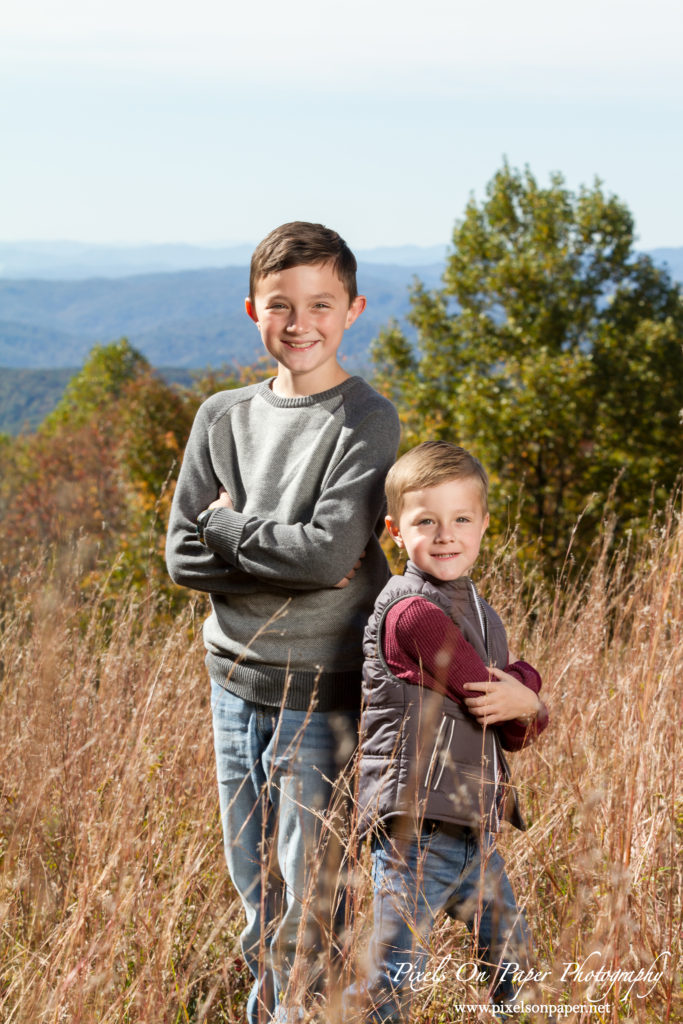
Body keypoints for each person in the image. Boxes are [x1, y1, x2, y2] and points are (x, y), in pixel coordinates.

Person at [165, 222, 400, 1023]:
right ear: (251, 310)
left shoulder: (364, 420)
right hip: (231, 686)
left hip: (320, 695)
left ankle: (314, 1012)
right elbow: (178, 558)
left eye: (320, 305)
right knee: (253, 883)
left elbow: (327, 554)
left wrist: (227, 529)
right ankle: (269, 1012)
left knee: (313, 892)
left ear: (353, 309)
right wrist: (289, 558)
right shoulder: (220, 418)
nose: (299, 323)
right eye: (280, 305)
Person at [353, 441, 549, 1023]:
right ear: (395, 530)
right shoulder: (412, 612)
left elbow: (513, 734)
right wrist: (530, 693)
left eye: (461, 518)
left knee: (514, 960)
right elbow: (490, 701)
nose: (445, 535)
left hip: (474, 830)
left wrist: (522, 702)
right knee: (391, 977)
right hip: (418, 827)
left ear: (484, 524)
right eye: (426, 522)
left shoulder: (485, 616)